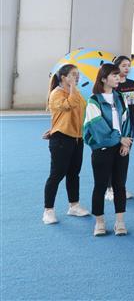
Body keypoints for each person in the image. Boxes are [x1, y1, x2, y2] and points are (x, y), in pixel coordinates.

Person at [84, 64, 133, 236]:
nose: (118, 78)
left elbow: (127, 121)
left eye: (118, 75)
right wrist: (119, 139)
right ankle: (99, 222)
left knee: (120, 185)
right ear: (104, 79)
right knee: (100, 185)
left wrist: (126, 143)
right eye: (114, 75)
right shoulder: (94, 100)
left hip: (121, 148)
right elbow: (97, 127)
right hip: (102, 148)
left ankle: (120, 222)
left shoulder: (120, 98)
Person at [43, 64, 90, 225]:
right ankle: (48, 210)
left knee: (74, 173)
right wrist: (73, 87)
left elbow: (81, 110)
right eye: (73, 74)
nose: (77, 77)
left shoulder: (75, 92)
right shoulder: (57, 93)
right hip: (61, 140)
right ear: (63, 77)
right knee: (57, 174)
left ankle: (74, 205)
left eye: (78, 74)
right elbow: (69, 105)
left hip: (77, 139)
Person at [105, 55, 134, 201]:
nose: (127, 68)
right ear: (116, 67)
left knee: (124, 156)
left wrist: (131, 124)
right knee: (112, 157)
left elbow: (133, 105)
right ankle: (109, 188)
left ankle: (120, 187)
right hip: (116, 126)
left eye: (129, 65)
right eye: (124, 65)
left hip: (130, 125)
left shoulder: (132, 83)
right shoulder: (114, 86)